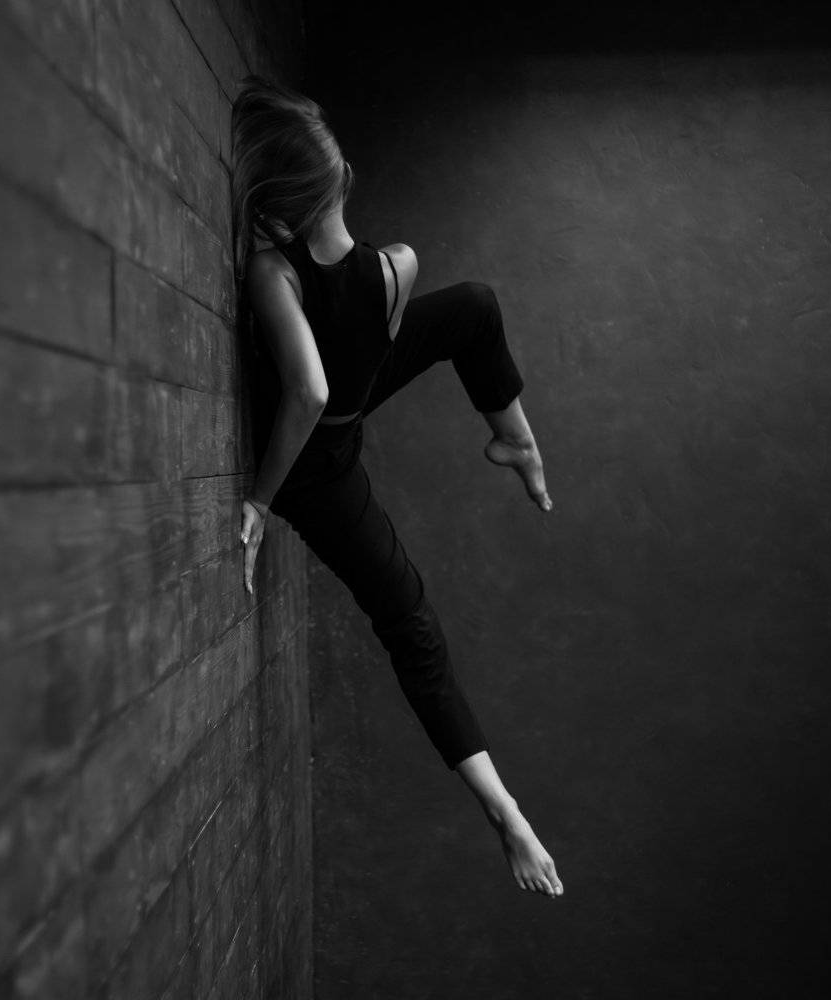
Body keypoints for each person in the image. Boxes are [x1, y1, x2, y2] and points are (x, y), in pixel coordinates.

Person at [229, 76, 564, 899]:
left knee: (409, 621)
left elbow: (308, 391)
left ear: (284, 199)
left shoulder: (273, 272)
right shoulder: (397, 266)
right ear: (340, 185)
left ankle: (505, 814)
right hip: (339, 422)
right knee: (474, 306)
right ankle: (518, 438)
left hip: (315, 462)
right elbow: (340, 375)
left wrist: (260, 501)